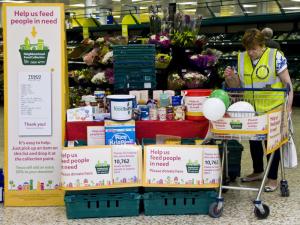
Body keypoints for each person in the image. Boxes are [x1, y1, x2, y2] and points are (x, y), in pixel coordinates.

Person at [224, 28, 293, 192]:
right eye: (248, 48)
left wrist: (288, 108)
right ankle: (257, 171)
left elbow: (287, 83)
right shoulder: (241, 58)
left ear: (262, 45)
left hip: (273, 108)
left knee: (272, 144)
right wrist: (230, 78)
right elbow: (237, 88)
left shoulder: (276, 57)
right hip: (251, 109)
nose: (250, 52)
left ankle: (273, 179)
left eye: (254, 49)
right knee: (254, 141)